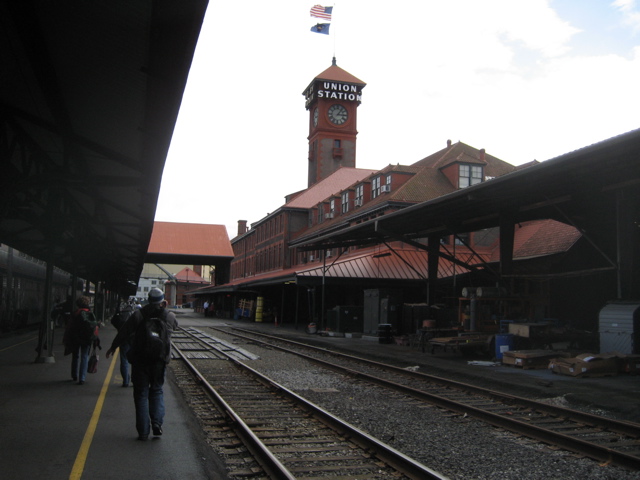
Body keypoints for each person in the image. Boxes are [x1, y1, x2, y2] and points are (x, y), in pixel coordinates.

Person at [106, 288, 177, 441]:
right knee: (157, 390)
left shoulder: (138, 315)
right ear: (162, 301)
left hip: (140, 360)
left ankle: (143, 431)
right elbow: (174, 327)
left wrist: (113, 347)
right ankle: (157, 423)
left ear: (148, 299)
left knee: (141, 394)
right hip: (159, 360)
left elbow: (124, 332)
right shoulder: (169, 315)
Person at [67, 296, 99, 385]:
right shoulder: (90, 313)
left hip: (76, 337)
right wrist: (95, 338)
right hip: (87, 339)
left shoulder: (75, 313)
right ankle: (82, 378)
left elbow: (70, 326)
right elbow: (95, 327)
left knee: (75, 356)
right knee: (84, 356)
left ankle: (74, 375)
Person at [111, 302, 134, 387]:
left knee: (124, 360)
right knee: (135, 361)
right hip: (133, 340)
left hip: (123, 340)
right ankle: (134, 380)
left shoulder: (120, 316)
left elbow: (113, 321)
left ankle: (125, 381)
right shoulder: (134, 315)